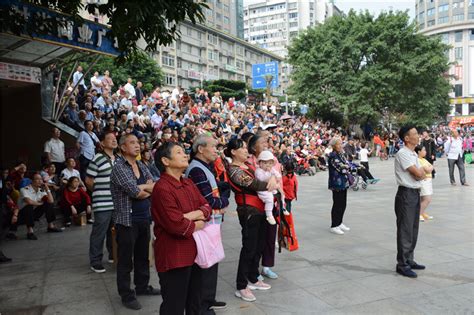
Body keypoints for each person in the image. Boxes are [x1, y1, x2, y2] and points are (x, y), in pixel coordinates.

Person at [152, 141, 212, 315]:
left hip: (195, 252)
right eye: (179, 152)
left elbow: (207, 207)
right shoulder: (162, 188)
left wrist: (189, 216)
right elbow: (176, 225)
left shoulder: (188, 183)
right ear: (165, 161)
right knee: (174, 306)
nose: (185, 154)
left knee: (195, 302)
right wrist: (197, 219)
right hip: (174, 256)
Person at [110, 134, 160, 310]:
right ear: (123, 147)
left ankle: (142, 286)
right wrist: (146, 188)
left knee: (142, 256)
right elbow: (134, 192)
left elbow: (154, 186)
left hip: (144, 217)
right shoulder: (118, 167)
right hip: (127, 220)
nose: (137, 146)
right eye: (132, 143)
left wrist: (145, 187)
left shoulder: (140, 164)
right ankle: (126, 294)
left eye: (138, 143)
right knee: (125, 260)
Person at [226, 138, 277, 302]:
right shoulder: (234, 169)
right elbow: (254, 183)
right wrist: (271, 182)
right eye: (242, 148)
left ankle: (253, 277)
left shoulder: (248, 166)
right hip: (249, 210)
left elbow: (265, 176)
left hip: (260, 209)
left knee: (259, 245)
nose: (246, 150)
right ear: (233, 151)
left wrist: (272, 179)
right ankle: (241, 285)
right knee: (249, 247)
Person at [185, 134, 229, 314]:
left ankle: (208, 300)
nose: (216, 150)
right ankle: (202, 305)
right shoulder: (196, 170)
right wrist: (224, 202)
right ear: (201, 149)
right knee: (204, 264)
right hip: (204, 224)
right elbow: (208, 200)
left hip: (211, 223)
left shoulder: (204, 167)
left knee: (212, 261)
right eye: (213, 146)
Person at [394, 125, 427, 278]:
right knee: (405, 230)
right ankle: (402, 264)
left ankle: (409, 259)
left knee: (413, 228)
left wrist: (421, 172)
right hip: (406, 194)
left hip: (414, 193)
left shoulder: (413, 153)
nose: (418, 135)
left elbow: (422, 172)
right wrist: (422, 172)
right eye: (414, 134)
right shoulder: (403, 153)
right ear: (407, 138)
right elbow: (418, 174)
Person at [86, 132, 118, 273]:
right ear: (103, 143)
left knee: (114, 232)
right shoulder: (97, 158)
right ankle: (95, 261)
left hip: (116, 203)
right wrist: (99, 192)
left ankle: (113, 255)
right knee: (99, 232)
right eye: (110, 139)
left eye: (115, 138)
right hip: (102, 203)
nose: (113, 140)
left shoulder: (118, 159)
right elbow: (88, 181)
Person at [9, 173, 62, 240]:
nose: (40, 181)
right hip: (22, 214)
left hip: (34, 213)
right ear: (32, 180)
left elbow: (51, 201)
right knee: (29, 206)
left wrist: (47, 189)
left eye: (41, 179)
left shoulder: (41, 190)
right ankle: (30, 232)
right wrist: (40, 204)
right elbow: (29, 201)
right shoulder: (24, 189)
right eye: (37, 179)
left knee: (49, 204)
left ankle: (50, 226)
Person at [327, 137, 353, 235]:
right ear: (334, 145)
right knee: (337, 204)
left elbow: (347, 164)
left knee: (343, 203)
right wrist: (348, 168)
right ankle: (334, 225)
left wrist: (349, 166)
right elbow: (341, 168)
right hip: (336, 183)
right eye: (338, 144)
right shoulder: (333, 155)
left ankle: (339, 222)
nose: (340, 145)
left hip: (343, 182)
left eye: (341, 143)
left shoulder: (340, 154)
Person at [255, 150, 284, 225]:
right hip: (262, 190)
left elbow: (278, 176)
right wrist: (271, 176)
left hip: (269, 188)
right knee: (269, 199)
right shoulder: (258, 171)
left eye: (270, 163)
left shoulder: (271, 169)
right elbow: (262, 178)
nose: (268, 165)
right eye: (265, 163)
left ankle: (283, 207)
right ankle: (269, 215)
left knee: (280, 193)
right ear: (260, 163)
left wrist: (274, 175)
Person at [415, 145, 434, 222]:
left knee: (423, 199)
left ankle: (422, 213)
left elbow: (431, 166)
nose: (425, 152)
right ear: (419, 152)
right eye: (424, 150)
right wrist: (429, 168)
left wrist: (429, 168)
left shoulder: (424, 160)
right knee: (427, 199)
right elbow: (429, 169)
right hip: (424, 181)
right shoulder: (418, 160)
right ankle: (419, 214)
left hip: (428, 181)